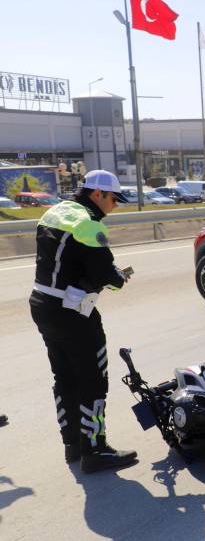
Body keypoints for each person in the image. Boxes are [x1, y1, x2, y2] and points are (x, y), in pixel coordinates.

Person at [29, 169, 138, 474]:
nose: (114, 206)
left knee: (64, 377)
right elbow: (110, 278)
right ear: (98, 194)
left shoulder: (54, 212)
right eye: (113, 199)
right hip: (73, 313)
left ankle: (73, 446)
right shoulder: (88, 224)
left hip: (42, 304)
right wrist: (119, 277)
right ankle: (95, 450)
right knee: (93, 380)